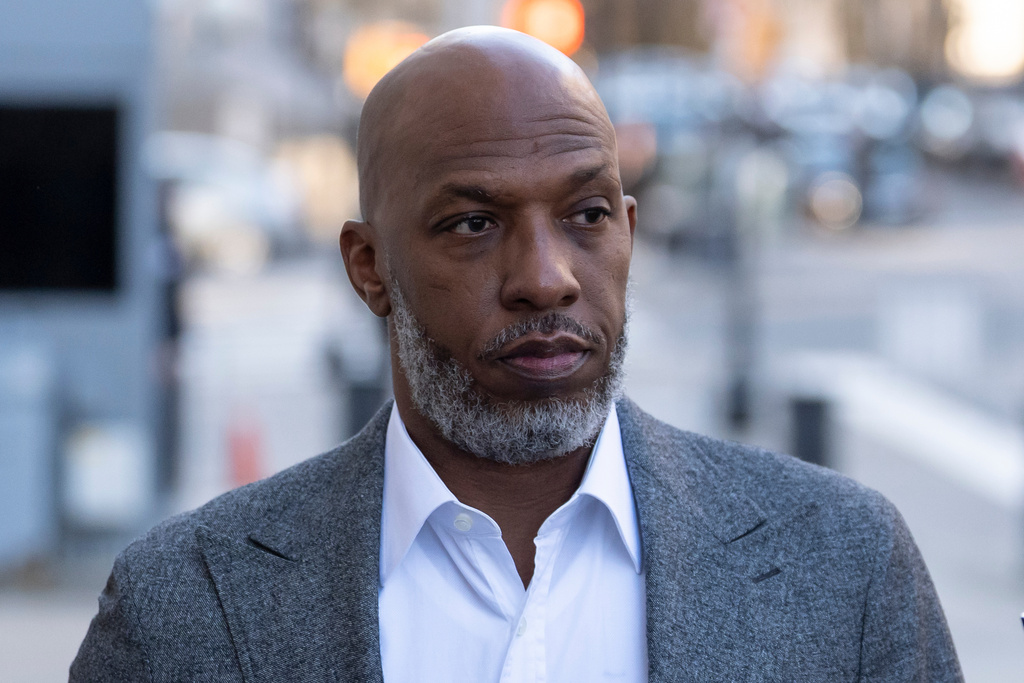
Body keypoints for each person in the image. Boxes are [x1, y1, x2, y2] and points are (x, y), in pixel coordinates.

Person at [72, 26, 962, 681]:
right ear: (369, 266)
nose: (546, 279)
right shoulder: (183, 609)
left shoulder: (846, 567)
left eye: (586, 216)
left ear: (631, 234)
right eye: (473, 223)